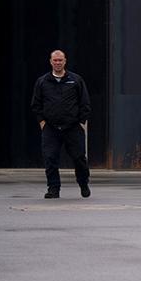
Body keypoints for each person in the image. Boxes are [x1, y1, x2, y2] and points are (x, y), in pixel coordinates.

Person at [31, 49, 91, 199]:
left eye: (60, 60)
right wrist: (42, 122)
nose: (58, 63)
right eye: (55, 60)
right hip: (50, 128)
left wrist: (82, 122)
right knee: (50, 158)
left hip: (72, 127)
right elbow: (36, 105)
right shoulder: (42, 81)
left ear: (65, 61)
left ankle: (83, 184)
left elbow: (85, 103)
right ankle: (53, 189)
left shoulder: (76, 80)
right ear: (50, 62)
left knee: (79, 158)